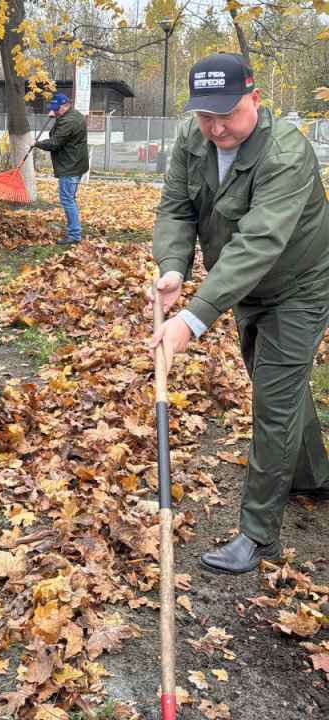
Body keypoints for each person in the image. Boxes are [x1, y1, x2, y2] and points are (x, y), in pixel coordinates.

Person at [150, 52, 329, 575]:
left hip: (298, 286)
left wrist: (193, 317)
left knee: (274, 398)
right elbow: (176, 207)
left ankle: (258, 535)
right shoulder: (194, 137)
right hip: (246, 288)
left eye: (226, 112)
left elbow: (259, 241)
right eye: (205, 115)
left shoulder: (287, 152)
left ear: (255, 97)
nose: (216, 126)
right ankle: (313, 476)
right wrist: (172, 268)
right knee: (280, 384)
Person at [35, 92, 89, 245]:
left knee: (67, 200)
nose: (55, 111)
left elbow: (54, 142)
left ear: (66, 105)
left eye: (57, 108)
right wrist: (56, 117)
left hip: (70, 166)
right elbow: (57, 132)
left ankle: (74, 235)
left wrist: (36, 143)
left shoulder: (69, 121)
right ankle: (74, 230)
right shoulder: (72, 115)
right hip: (76, 163)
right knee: (70, 198)